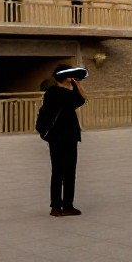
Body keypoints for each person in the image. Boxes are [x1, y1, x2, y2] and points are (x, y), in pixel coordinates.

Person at [36, 63, 88, 216]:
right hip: (68, 136)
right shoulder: (68, 95)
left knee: (57, 171)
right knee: (69, 171)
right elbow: (83, 98)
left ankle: (55, 207)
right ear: (67, 78)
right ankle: (68, 206)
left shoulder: (50, 92)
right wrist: (76, 85)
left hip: (54, 137)